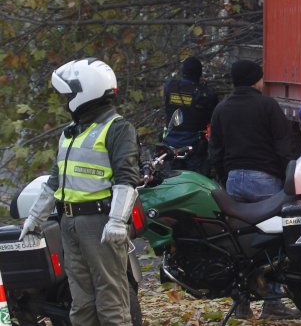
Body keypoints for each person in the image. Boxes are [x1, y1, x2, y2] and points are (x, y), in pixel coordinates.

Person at [19, 58, 140, 325]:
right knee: (81, 302)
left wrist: (118, 220)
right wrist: (35, 219)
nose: (67, 100)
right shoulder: (70, 133)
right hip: (69, 223)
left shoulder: (117, 129)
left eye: (69, 94)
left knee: (111, 301)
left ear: (86, 91)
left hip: (100, 223)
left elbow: (127, 177)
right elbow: (55, 180)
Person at [207, 59, 299, 319]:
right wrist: (286, 179)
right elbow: (283, 145)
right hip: (265, 180)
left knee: (240, 246)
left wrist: (226, 178)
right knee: (275, 243)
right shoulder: (267, 105)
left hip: (234, 179)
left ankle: (242, 304)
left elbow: (215, 150)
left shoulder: (221, 108)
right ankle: (272, 303)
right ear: (254, 80)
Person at [162, 56, 219, 176]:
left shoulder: (170, 87)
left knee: (170, 184)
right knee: (195, 184)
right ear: (199, 73)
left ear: (183, 72)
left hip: (171, 147)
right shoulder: (206, 94)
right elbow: (214, 119)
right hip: (195, 149)